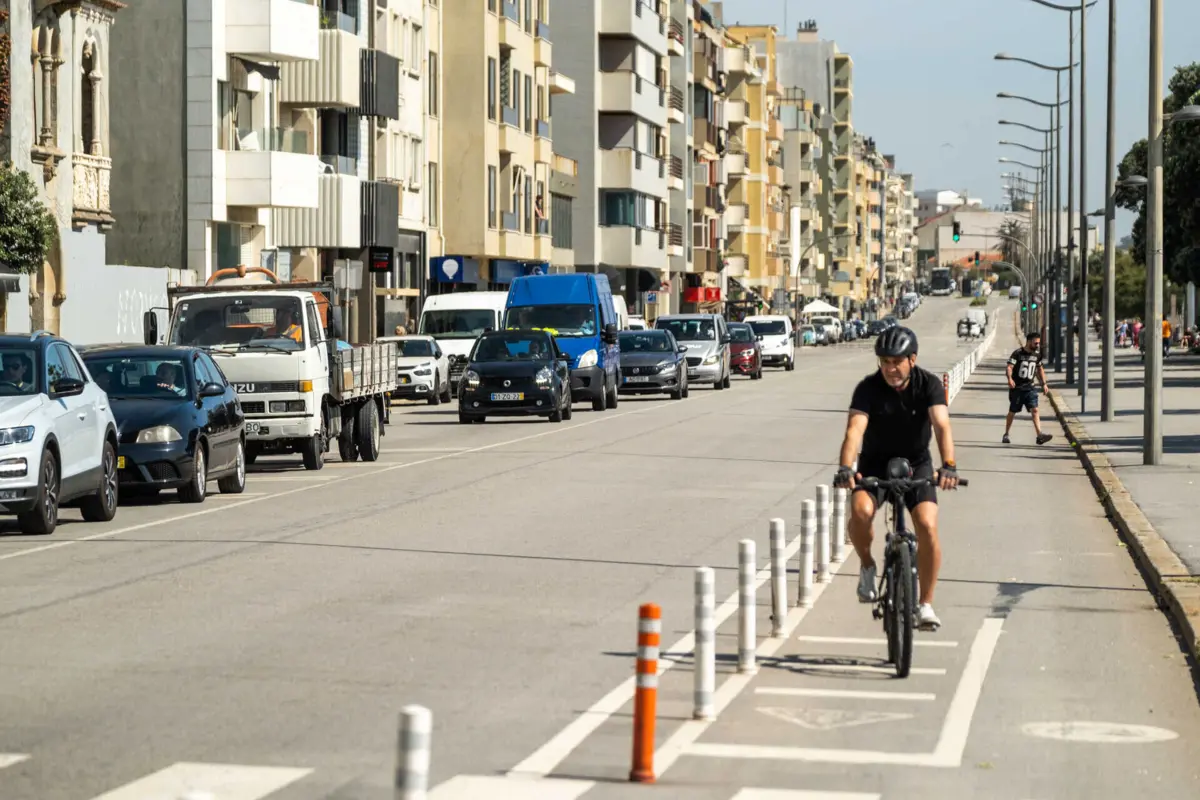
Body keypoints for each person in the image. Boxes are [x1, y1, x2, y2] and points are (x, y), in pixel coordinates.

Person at [832, 327, 960, 632]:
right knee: (861, 512)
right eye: (884, 361)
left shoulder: (928, 384)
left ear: (912, 359)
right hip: (875, 463)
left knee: (927, 525)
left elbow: (941, 425)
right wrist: (846, 468)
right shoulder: (868, 388)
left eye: (896, 362)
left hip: (917, 463)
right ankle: (867, 565)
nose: (890, 368)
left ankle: (925, 605)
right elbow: (854, 430)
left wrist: (950, 465)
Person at [1004, 332, 1052, 446]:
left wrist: (1044, 384)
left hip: (1030, 387)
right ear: (1029, 341)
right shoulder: (1017, 354)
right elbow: (1009, 367)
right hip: (1017, 388)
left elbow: (1040, 369)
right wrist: (1010, 379)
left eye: (1039, 343)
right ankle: (1006, 433)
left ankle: (1039, 435)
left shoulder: (1037, 355)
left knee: (1035, 410)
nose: (1037, 345)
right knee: (1012, 411)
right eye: (1036, 343)